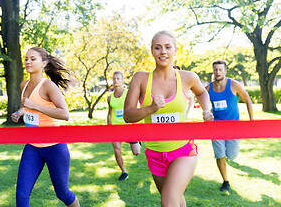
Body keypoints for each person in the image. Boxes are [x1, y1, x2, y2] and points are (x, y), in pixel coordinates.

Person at [123, 30, 214, 206]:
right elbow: (128, 115)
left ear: (175, 51)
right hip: (155, 154)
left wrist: (206, 110)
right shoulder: (140, 79)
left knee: (168, 201)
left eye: (167, 47)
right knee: (176, 199)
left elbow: (202, 93)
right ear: (152, 51)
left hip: (183, 151)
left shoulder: (188, 77)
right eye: (158, 48)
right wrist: (150, 108)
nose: (163, 51)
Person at [11, 47, 80, 207]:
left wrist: (35, 106)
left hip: (55, 147)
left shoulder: (48, 86)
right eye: (26, 58)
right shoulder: (24, 84)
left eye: (33, 59)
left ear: (44, 63)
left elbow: (65, 114)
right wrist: (20, 112)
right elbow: (27, 106)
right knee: (21, 196)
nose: (28, 61)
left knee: (63, 193)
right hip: (33, 147)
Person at [206, 59, 253, 192]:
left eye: (220, 69)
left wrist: (252, 121)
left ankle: (228, 154)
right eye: (215, 69)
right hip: (216, 127)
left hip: (233, 127)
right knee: (219, 154)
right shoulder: (208, 88)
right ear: (213, 71)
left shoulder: (234, 85)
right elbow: (202, 101)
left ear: (225, 71)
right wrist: (207, 112)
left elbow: (248, 100)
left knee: (231, 155)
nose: (218, 72)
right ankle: (225, 181)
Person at [107, 71, 141, 181]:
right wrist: (108, 127)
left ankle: (138, 141)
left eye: (118, 79)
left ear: (122, 81)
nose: (115, 80)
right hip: (116, 128)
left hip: (129, 126)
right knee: (116, 149)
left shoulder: (128, 93)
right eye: (114, 78)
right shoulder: (110, 98)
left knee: (136, 152)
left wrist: (135, 126)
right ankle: (124, 171)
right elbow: (109, 113)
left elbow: (135, 109)